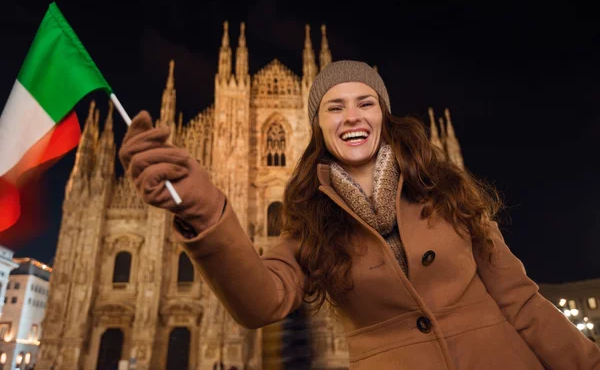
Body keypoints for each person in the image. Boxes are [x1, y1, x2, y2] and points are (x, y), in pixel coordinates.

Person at [119, 60, 600, 369]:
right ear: (319, 128)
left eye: (365, 102)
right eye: (334, 108)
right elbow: (260, 301)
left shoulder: (448, 191)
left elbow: (522, 303)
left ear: (383, 116)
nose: (351, 116)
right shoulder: (312, 219)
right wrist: (205, 212)